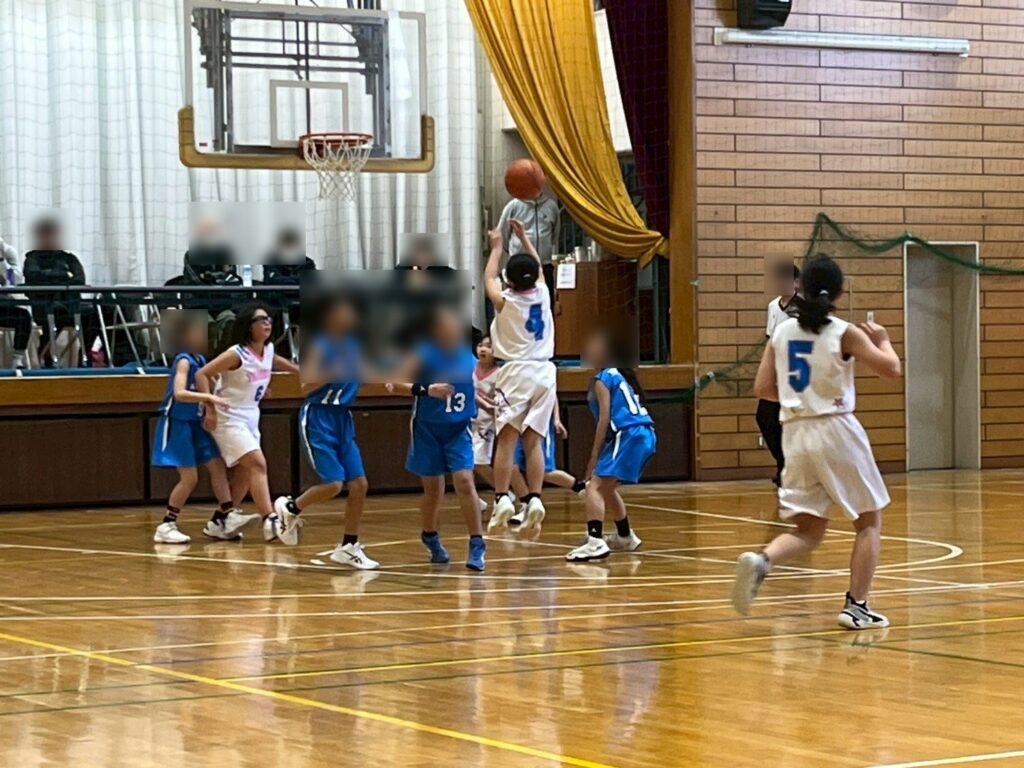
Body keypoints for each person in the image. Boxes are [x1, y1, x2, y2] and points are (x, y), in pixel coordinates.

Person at [732, 255, 900, 630]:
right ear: (840, 292)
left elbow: (762, 388)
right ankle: (857, 606)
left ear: (802, 289)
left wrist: (801, 398)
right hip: (835, 428)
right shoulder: (844, 332)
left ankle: (763, 560)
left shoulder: (781, 333)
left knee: (808, 531)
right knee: (868, 522)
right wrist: (884, 341)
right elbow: (891, 369)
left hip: (794, 433)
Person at [273, 297, 379, 570]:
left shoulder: (355, 345)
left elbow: (362, 376)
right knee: (333, 484)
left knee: (359, 484)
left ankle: (349, 546)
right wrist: (332, 372)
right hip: (318, 416)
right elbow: (305, 385)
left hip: (342, 417)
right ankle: (291, 508)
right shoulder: (320, 345)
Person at [389, 306, 486, 571]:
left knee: (464, 480)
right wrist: (427, 389)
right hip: (427, 429)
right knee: (433, 490)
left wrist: (486, 403)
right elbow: (394, 384)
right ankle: (430, 536)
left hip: (458, 429)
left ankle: (477, 543)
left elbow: (467, 390)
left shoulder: (468, 356)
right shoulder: (422, 353)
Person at [196, 304, 300, 545]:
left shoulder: (268, 350)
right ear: (248, 326)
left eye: (269, 319)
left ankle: (220, 522)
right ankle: (271, 520)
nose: (267, 323)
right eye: (261, 319)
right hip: (228, 416)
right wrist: (209, 408)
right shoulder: (236, 354)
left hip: (251, 416)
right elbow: (202, 374)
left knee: (245, 472)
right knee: (257, 463)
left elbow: (279, 364)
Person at [151, 313, 259, 544]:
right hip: (177, 423)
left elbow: (218, 382)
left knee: (217, 466)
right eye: (198, 332)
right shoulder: (183, 361)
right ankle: (167, 524)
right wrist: (208, 398)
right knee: (189, 478)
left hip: (196, 423)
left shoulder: (201, 360)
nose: (203, 336)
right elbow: (180, 393)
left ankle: (227, 515)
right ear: (184, 336)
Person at [483, 219, 556, 533]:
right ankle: (535, 498)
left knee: (507, 439)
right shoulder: (543, 293)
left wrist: (497, 247)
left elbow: (488, 277)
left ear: (509, 282)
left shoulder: (505, 301)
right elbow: (537, 268)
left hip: (515, 371)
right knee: (534, 440)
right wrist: (525, 238)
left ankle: (502, 497)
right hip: (545, 372)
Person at [565, 330, 656, 562]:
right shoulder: (618, 375)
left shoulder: (603, 378)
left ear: (605, 352)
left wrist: (593, 457)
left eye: (593, 344)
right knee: (606, 487)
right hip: (643, 434)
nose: (588, 348)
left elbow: (604, 419)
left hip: (629, 433)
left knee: (594, 486)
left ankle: (595, 541)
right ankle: (625, 536)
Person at [23, 218, 99, 366]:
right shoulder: (32, 258)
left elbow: (79, 279)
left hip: (70, 304)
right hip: (44, 306)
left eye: (52, 235)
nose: (49, 239)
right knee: (55, 312)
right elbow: (34, 275)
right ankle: (46, 355)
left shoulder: (68, 258)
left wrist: (51, 276)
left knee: (93, 315)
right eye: (45, 235)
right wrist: (63, 275)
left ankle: (84, 355)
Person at [757, 262, 801, 486]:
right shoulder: (773, 306)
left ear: (796, 282)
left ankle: (791, 468)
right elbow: (770, 339)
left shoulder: (804, 308)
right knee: (765, 417)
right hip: (776, 372)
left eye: (787, 279)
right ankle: (783, 463)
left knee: (793, 421)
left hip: (797, 373)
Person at [508, 405, 587, 528]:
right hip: (516, 420)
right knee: (511, 467)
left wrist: (556, 419)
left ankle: (582, 488)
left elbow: (552, 394)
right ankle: (527, 505)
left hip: (539, 420)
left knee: (542, 472)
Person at [0, 236, 31, 369]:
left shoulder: (8, 251)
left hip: (2, 304)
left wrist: (2, 261)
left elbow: (13, 281)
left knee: (23, 316)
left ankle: (17, 360)